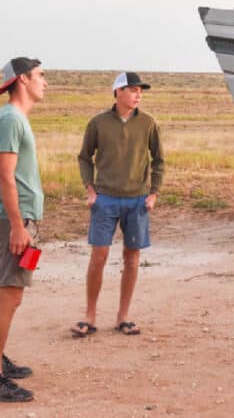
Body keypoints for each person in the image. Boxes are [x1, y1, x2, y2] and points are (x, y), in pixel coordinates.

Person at [0, 57, 47, 402]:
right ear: (23, 79)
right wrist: (18, 227)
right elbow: (5, 176)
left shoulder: (16, 119)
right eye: (40, 75)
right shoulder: (9, 119)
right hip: (12, 223)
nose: (45, 82)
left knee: (15, 291)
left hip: (23, 222)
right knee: (9, 291)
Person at [72, 72, 164, 337]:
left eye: (140, 91)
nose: (138, 95)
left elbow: (159, 160)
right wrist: (90, 189)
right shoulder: (98, 123)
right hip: (106, 200)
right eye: (133, 90)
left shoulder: (148, 123)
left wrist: (154, 193)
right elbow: (83, 157)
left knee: (132, 259)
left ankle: (123, 317)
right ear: (118, 92)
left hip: (138, 201)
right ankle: (89, 316)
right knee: (98, 257)